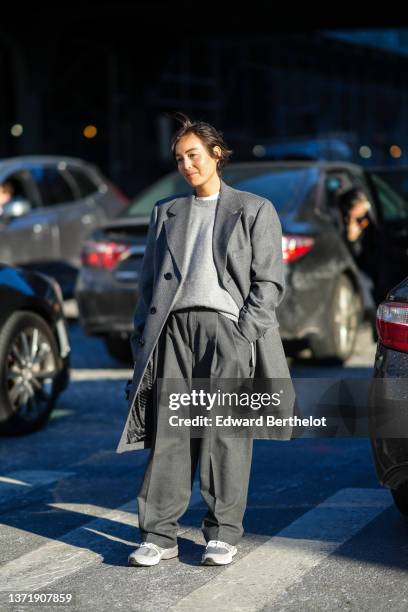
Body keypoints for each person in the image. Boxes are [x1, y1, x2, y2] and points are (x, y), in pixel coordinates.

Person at [117, 113, 294, 567]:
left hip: (227, 331)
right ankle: (158, 535)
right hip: (173, 332)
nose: (186, 165)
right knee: (170, 432)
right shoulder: (166, 213)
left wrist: (245, 330)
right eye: (179, 159)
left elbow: (269, 280)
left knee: (224, 433)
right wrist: (141, 343)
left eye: (193, 155)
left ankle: (222, 532)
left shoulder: (254, 209)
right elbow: (148, 284)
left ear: (217, 154)